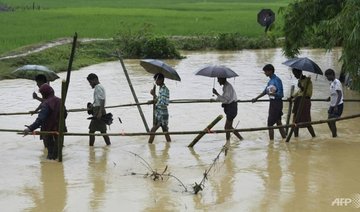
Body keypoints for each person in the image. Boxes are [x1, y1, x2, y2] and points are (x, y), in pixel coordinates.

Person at [23, 84, 63, 160]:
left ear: (44, 94)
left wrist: (29, 129)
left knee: (50, 154)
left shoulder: (46, 104)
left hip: (49, 131)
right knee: (57, 152)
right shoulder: (60, 100)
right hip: (59, 129)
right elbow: (65, 114)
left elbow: (40, 119)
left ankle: (49, 167)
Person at [252, 64, 287, 140]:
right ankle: (285, 139)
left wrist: (273, 94)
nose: (265, 73)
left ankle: (271, 142)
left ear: (270, 71)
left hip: (277, 103)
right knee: (278, 122)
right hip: (273, 103)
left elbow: (281, 94)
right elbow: (265, 91)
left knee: (270, 124)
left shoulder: (277, 80)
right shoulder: (270, 81)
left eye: (265, 71)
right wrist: (256, 98)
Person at [212, 77, 244, 144]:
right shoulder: (225, 86)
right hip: (231, 108)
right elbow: (225, 98)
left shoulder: (227, 87)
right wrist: (216, 97)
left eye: (219, 79)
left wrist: (217, 94)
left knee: (227, 127)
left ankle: (228, 142)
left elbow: (226, 100)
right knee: (229, 127)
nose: (218, 81)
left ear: (223, 79)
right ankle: (240, 139)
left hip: (231, 108)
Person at [289, 68, 316, 137]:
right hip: (298, 101)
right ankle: (296, 137)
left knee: (307, 120)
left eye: (295, 74)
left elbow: (308, 93)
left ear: (300, 73)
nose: (295, 76)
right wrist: (292, 97)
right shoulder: (300, 81)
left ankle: (313, 136)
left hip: (305, 102)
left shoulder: (308, 81)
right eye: (294, 74)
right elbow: (299, 92)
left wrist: (302, 87)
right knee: (295, 121)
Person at [87, 73, 111, 146]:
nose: (90, 84)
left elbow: (102, 100)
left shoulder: (98, 87)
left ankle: (91, 148)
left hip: (98, 111)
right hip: (98, 109)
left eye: (90, 82)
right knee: (103, 131)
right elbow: (99, 100)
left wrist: (100, 112)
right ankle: (108, 145)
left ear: (95, 80)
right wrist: (92, 105)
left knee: (91, 131)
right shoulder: (99, 87)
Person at [148, 73, 171, 144]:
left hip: (162, 114)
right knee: (165, 132)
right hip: (159, 113)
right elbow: (159, 99)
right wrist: (154, 96)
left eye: (157, 80)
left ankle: (149, 145)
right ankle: (169, 144)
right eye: (155, 80)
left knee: (153, 130)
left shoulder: (165, 90)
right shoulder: (161, 89)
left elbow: (165, 102)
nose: (156, 81)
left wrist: (154, 97)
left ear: (161, 80)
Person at [325, 69, 344, 137]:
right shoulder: (332, 83)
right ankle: (335, 135)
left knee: (332, 121)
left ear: (332, 75)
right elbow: (334, 93)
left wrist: (336, 106)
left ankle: (334, 136)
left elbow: (339, 94)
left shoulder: (337, 82)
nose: (327, 78)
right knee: (328, 121)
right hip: (332, 105)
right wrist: (329, 97)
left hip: (338, 105)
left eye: (327, 76)